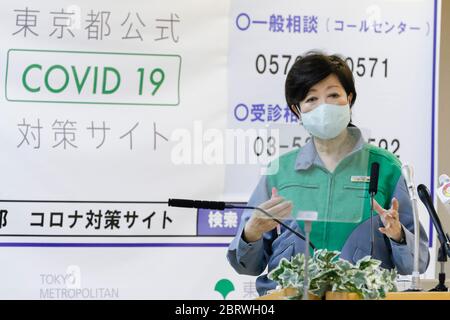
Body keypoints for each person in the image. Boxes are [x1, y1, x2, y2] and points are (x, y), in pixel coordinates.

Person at [227, 52, 430, 296]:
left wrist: (397, 234)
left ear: (349, 98)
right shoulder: (280, 171)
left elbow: (417, 263)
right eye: (311, 99)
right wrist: (252, 233)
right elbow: (246, 265)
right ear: (297, 110)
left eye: (333, 95)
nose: (323, 106)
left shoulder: (385, 168)